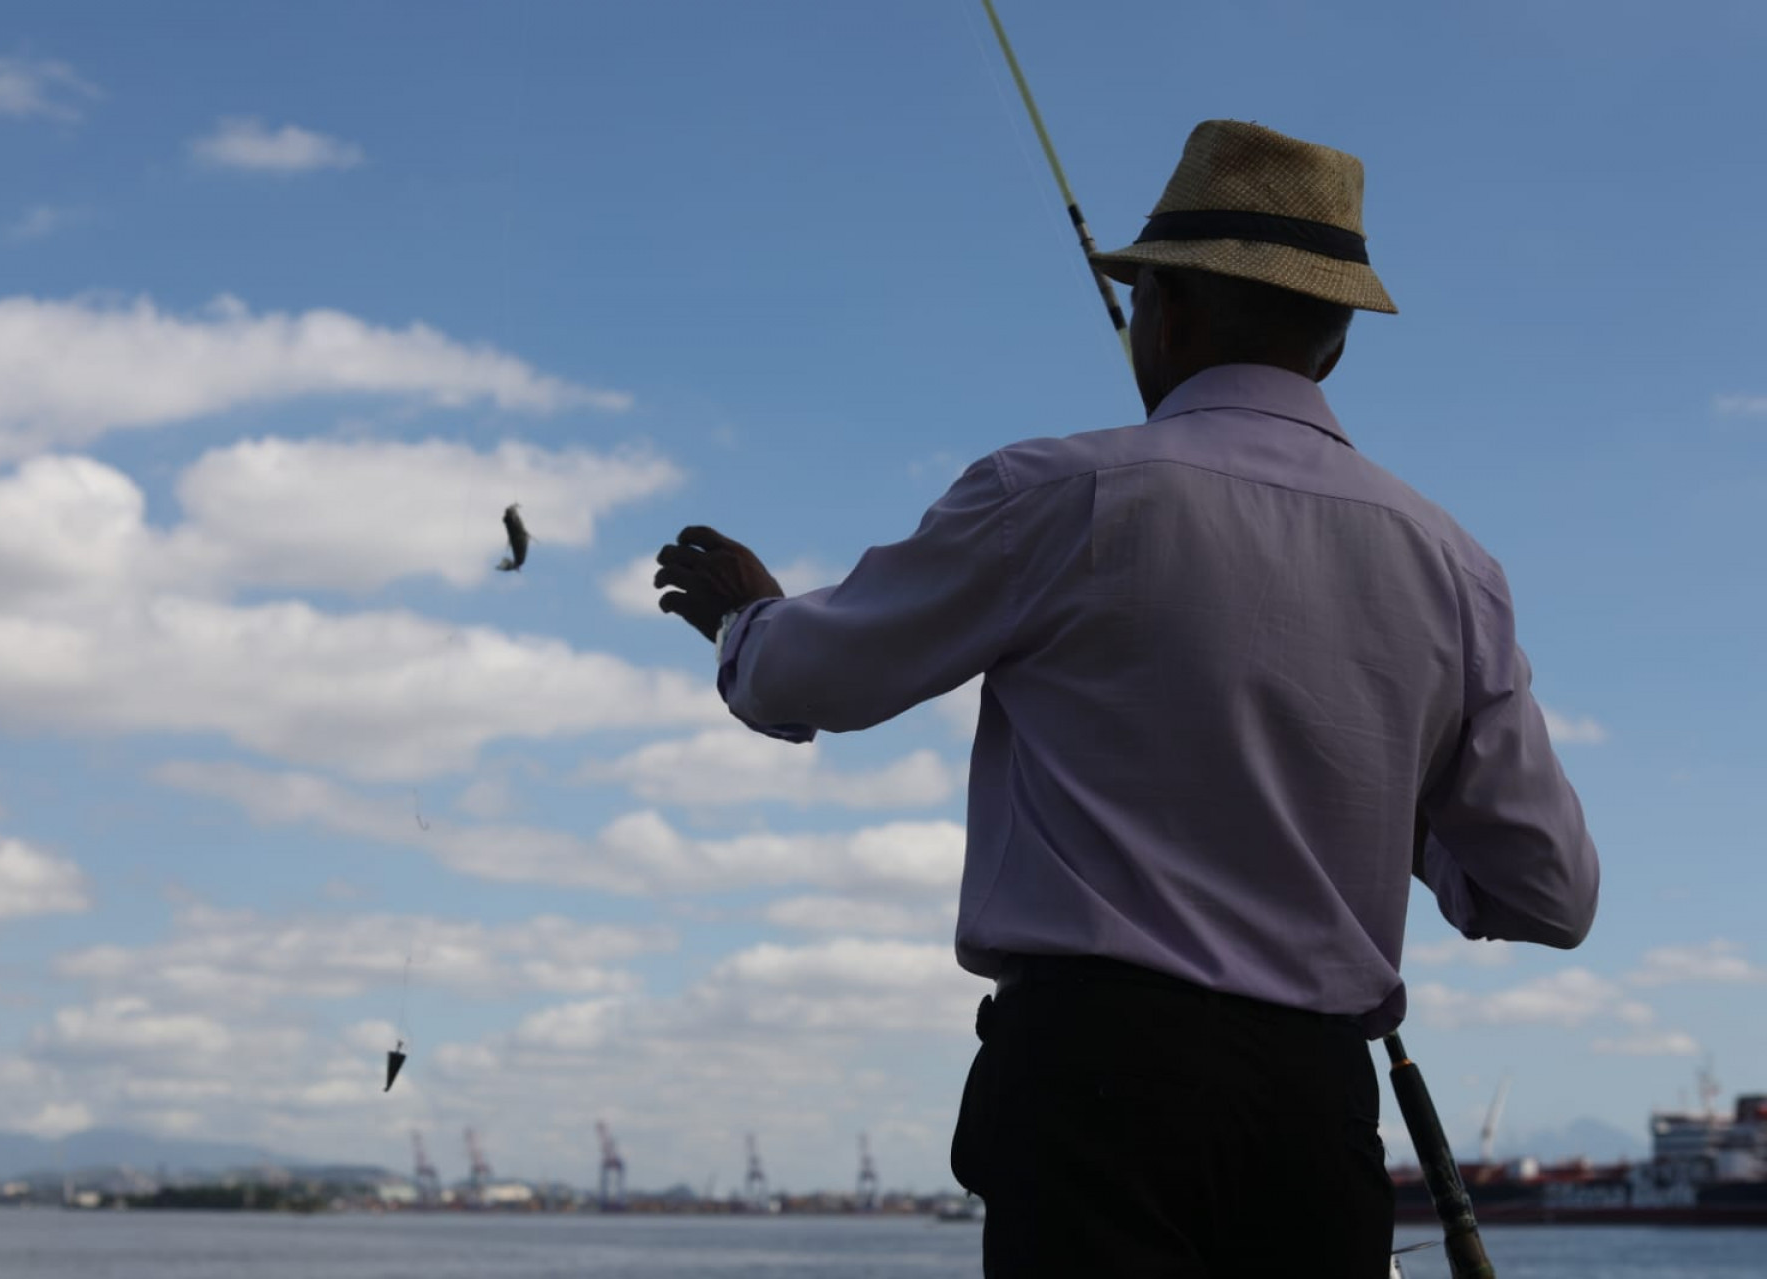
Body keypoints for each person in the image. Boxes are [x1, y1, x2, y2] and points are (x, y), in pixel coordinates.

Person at [654, 119, 1599, 1277]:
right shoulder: (1454, 567)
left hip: (1097, 1090)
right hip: (1313, 1117)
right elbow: (1547, 890)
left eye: (1143, 294)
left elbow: (816, 677)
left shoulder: (1060, 492)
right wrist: (1375, 786)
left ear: (1171, 310)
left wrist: (745, 621)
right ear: (1335, 343)